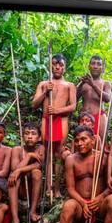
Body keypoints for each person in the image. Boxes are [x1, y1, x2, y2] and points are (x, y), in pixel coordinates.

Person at [32, 53, 77, 198]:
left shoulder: (69, 85)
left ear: (65, 67)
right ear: (50, 65)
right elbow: (34, 104)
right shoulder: (43, 84)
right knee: (48, 152)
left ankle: (56, 188)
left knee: (58, 154)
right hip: (46, 119)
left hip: (61, 120)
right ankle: (48, 188)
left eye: (61, 65)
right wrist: (45, 92)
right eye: (55, 64)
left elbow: (73, 106)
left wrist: (57, 110)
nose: (57, 67)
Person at [8, 122, 45, 223]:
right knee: (14, 176)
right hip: (20, 189)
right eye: (27, 133)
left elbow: (39, 165)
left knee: (36, 173)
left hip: (32, 188)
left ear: (39, 138)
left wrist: (20, 170)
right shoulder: (17, 150)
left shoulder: (40, 148)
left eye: (33, 134)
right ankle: (15, 221)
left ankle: (32, 212)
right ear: (23, 136)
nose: (29, 136)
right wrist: (28, 156)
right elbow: (15, 169)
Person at [77, 55, 112, 141]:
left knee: (99, 142)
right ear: (89, 66)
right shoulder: (83, 83)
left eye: (99, 64)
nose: (96, 66)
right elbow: (74, 98)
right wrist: (81, 84)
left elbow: (107, 98)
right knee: (82, 142)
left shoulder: (106, 83)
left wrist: (93, 85)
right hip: (84, 118)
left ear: (102, 68)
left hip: (99, 116)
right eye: (93, 63)